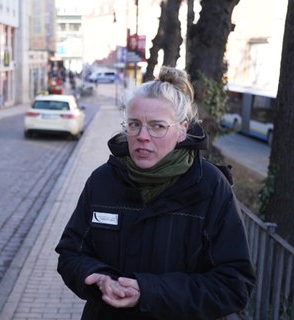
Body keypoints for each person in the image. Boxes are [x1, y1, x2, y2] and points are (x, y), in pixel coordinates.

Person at [55, 66, 256, 319]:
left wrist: (149, 292)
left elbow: (234, 284)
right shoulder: (102, 181)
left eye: (157, 126)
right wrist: (97, 279)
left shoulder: (211, 187)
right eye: (134, 124)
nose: (142, 136)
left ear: (182, 129)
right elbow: (71, 254)